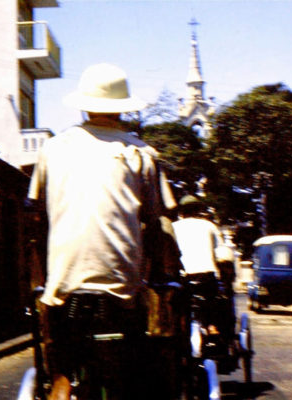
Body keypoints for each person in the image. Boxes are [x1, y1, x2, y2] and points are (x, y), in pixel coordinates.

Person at [27, 63, 175, 400]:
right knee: (135, 370)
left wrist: (44, 276)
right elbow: (155, 223)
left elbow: (37, 217)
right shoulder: (141, 153)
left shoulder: (53, 148)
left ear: (84, 104)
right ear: (123, 108)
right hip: (122, 288)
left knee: (61, 360)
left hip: (65, 284)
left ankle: (62, 383)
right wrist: (158, 274)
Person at [172, 195, 233, 336]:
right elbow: (223, 255)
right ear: (198, 210)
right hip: (205, 276)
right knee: (213, 300)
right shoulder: (209, 226)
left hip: (182, 278)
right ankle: (212, 325)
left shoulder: (174, 227)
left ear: (181, 212)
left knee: (177, 306)